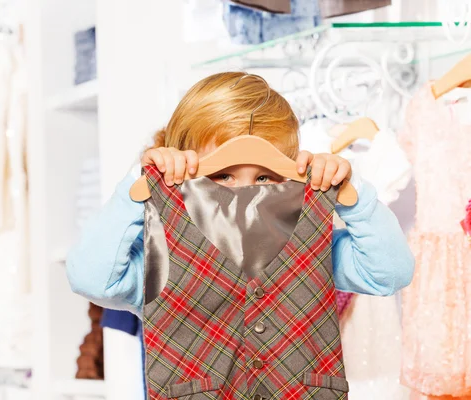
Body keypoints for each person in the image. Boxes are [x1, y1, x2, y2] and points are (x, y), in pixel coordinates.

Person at [66, 71, 414, 318]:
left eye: (264, 175)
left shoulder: (306, 242)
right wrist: (138, 187)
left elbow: (389, 273)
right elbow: (93, 279)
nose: (245, 193)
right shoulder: (161, 255)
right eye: (222, 175)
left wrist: (350, 197)